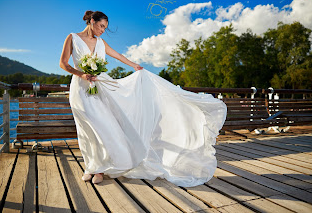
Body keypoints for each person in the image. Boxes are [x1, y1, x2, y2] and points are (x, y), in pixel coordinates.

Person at [59, 10, 227, 187]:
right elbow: (63, 63)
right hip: (81, 89)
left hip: (101, 87)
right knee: (86, 129)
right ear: (91, 21)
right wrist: (82, 74)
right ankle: (90, 167)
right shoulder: (73, 38)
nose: (102, 30)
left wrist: (135, 66)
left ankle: (100, 168)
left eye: (105, 28)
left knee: (103, 127)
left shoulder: (101, 42)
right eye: (101, 26)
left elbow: (118, 56)